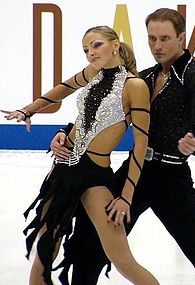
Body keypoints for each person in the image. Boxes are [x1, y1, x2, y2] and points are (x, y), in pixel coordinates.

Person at [50, 8, 195, 285]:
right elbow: (102, 112)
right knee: (90, 244)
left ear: (181, 38)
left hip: (171, 179)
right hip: (136, 171)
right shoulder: (146, 77)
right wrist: (65, 131)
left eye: (164, 38)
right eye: (152, 39)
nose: (157, 46)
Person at [1, 26, 160, 285]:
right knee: (45, 251)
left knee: (122, 260)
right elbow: (63, 90)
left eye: (96, 45)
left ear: (116, 45)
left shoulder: (135, 85)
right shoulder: (93, 73)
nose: (91, 53)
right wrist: (29, 110)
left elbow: (141, 144)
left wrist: (126, 197)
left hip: (95, 175)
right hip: (63, 167)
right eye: (86, 49)